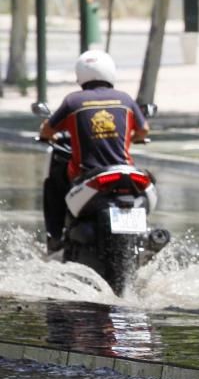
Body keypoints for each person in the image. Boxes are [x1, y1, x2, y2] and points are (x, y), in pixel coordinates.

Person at [39, 50, 149, 253]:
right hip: (124, 171)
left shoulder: (73, 101)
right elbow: (144, 130)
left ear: (80, 74)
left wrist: (48, 136)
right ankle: (145, 236)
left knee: (54, 183)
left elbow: (48, 130)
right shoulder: (125, 99)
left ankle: (54, 237)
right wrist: (133, 139)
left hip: (87, 174)